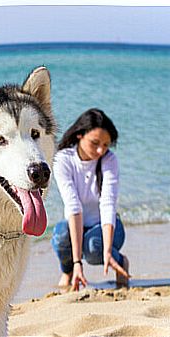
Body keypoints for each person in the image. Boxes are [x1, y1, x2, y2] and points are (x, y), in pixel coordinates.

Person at [51, 108, 130, 291]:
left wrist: (108, 252)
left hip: (107, 226)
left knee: (94, 248)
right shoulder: (63, 159)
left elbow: (108, 204)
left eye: (106, 144)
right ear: (80, 135)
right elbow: (73, 206)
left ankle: (120, 261)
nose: (101, 150)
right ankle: (69, 271)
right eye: (95, 143)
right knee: (60, 236)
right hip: (75, 222)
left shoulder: (109, 160)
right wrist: (77, 262)